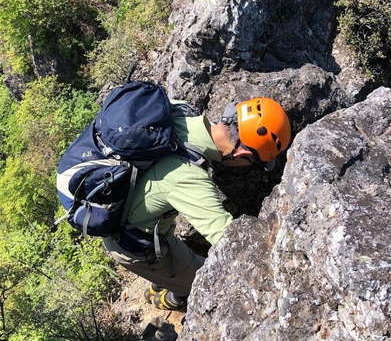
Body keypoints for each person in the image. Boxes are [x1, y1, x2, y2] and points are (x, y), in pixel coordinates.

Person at [103, 97, 291, 310]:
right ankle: (171, 297)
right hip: (135, 245)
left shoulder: (181, 112)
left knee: (173, 260)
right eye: (254, 163)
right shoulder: (188, 178)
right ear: (243, 154)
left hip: (146, 221)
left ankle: (163, 278)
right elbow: (229, 241)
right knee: (208, 283)